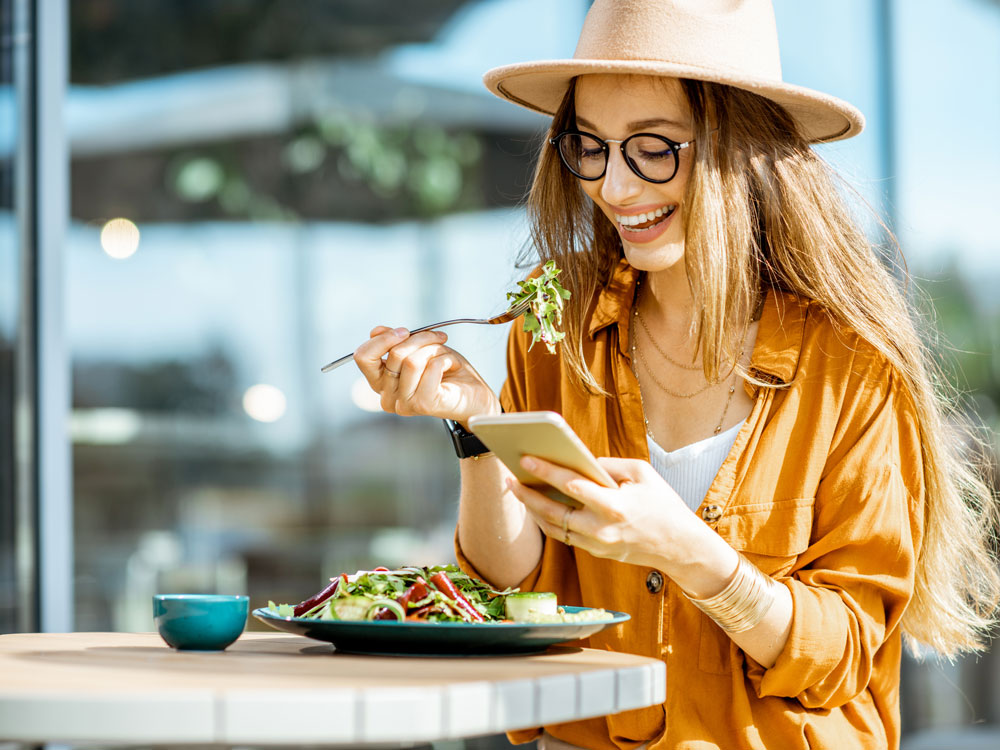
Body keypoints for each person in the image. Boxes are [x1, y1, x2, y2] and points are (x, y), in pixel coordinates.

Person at [353, 1, 1000, 748]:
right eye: (589, 147)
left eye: (653, 149)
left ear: (742, 148)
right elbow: (513, 595)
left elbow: (845, 651)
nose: (615, 187)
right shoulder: (553, 332)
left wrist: (685, 550)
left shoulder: (850, 369)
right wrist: (474, 428)